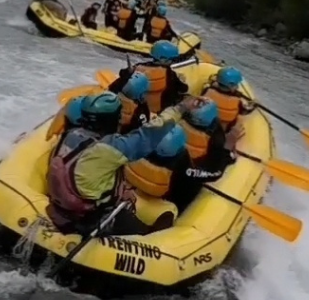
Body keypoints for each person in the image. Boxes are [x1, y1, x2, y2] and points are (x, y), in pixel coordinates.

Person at [46, 91, 204, 236]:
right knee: (149, 234)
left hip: (62, 210)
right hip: (91, 218)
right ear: (111, 119)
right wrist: (182, 108)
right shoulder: (109, 148)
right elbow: (149, 135)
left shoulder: (70, 135)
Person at [125, 99, 241, 213]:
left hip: (130, 188)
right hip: (168, 200)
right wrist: (226, 153)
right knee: (190, 185)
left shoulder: (140, 143)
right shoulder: (181, 162)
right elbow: (214, 174)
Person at [108, 40, 189, 114]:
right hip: (160, 112)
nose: (173, 62)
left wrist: (126, 73)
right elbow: (184, 88)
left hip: (140, 111)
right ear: (163, 59)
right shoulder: (170, 74)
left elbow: (115, 85)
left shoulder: (138, 68)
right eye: (172, 60)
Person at [200, 67, 255, 131]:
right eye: (236, 85)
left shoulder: (207, 91)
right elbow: (244, 112)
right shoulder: (236, 100)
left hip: (204, 125)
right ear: (231, 86)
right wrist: (253, 106)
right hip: (223, 131)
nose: (237, 87)